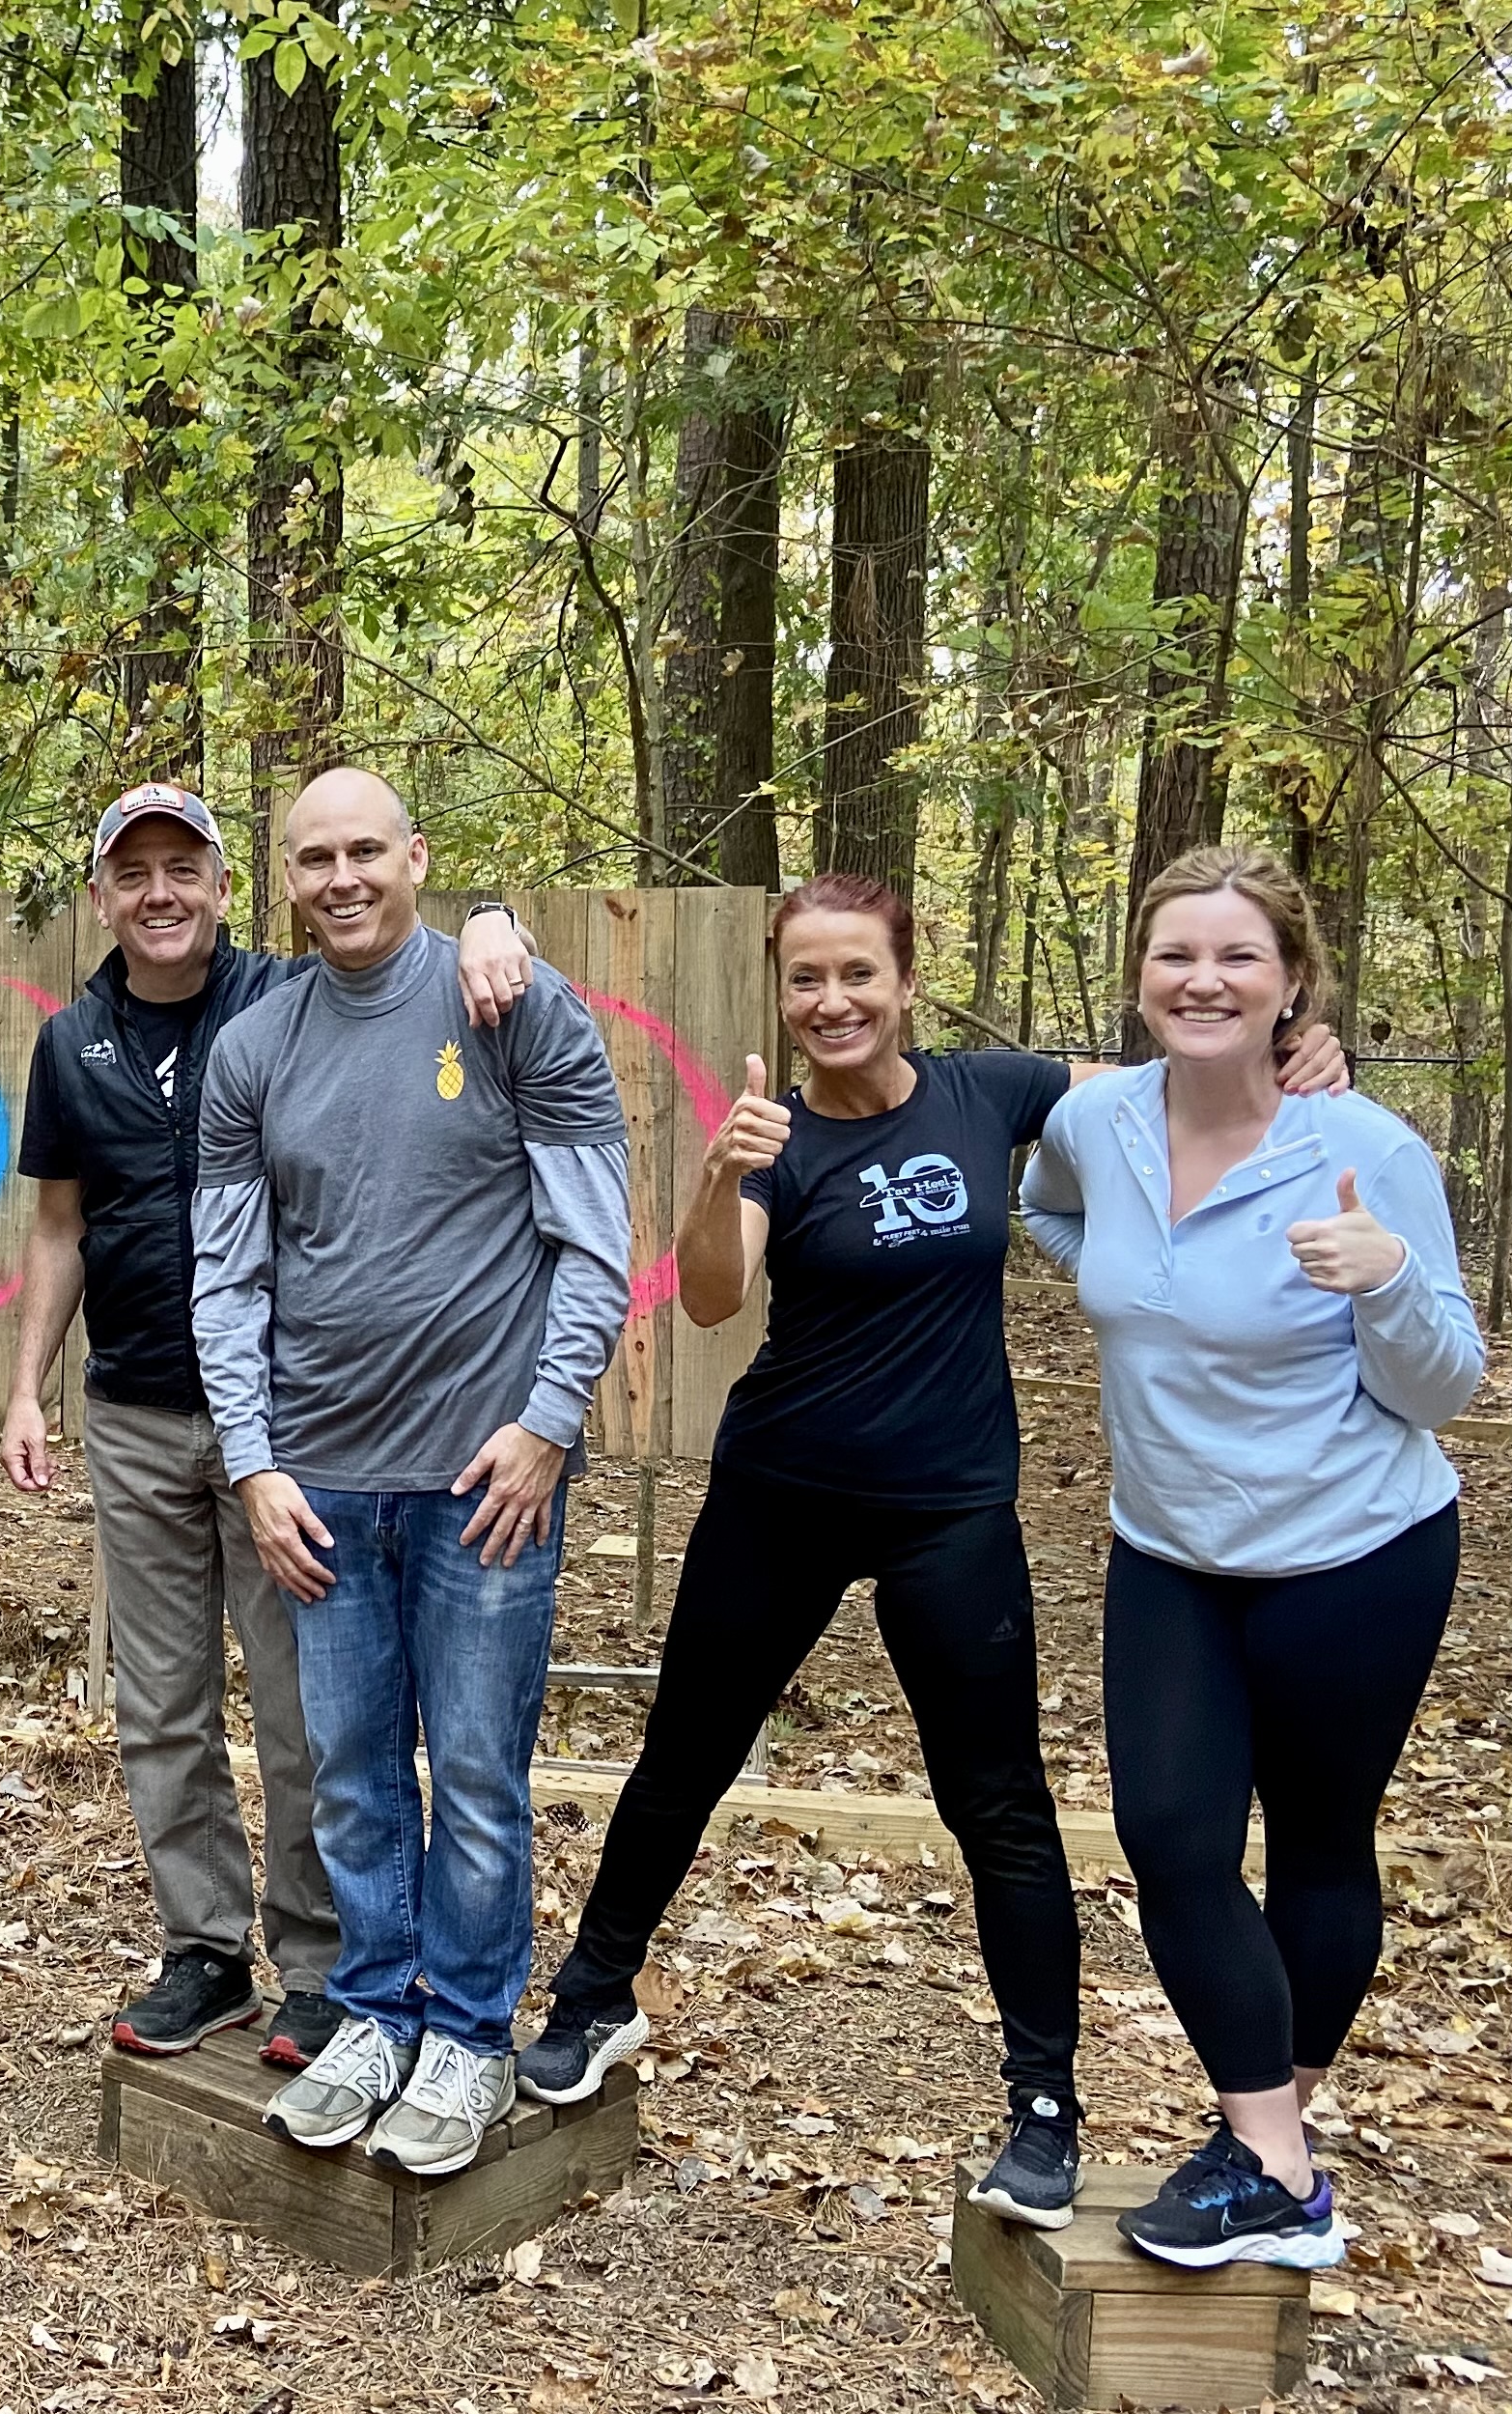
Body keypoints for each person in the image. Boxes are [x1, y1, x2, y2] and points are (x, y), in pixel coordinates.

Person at [519, 874, 1354, 2231]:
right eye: (805, 980)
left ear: (906, 982)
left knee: (1001, 1809)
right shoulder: (772, 1139)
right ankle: (591, 2001)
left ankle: (1041, 2108)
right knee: (680, 1757)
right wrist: (717, 1174)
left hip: (948, 1508)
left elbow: (1169, 1077)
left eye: (858, 975)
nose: (831, 1002)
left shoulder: (994, 1092)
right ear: (781, 998)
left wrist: (1285, 1045)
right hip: (777, 1494)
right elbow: (718, 1298)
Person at [3, 782, 532, 2068]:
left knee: (306, 1708)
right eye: (131, 875)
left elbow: (391, 951)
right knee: (161, 1701)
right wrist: (24, 1384)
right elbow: (59, 1224)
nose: (158, 893)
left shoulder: (281, 1004)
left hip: (287, 1428)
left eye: (182, 867)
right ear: (100, 898)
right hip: (131, 1411)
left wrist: (492, 916)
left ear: (225, 885)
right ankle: (204, 1947)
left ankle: (321, 1956)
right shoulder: (72, 1044)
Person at [1021, 843, 1482, 2270]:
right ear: (1139, 977)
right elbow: (1047, 1206)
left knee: (1321, 1849)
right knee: (1169, 1841)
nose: (1201, 979)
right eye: (1174, 955)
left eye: (1235, 956)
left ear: (1290, 983)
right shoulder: (1098, 1126)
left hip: (1354, 1555)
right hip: (1169, 1551)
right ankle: (1273, 2165)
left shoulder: (1364, 1152)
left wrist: (1388, 1281)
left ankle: (1267, 2146)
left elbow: (1445, 1380)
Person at [193, 766, 631, 2174]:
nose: (340, 878)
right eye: (312, 856)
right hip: (317, 1483)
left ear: (414, 856)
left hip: (481, 1482)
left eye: (365, 850)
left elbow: (591, 1237)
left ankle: (470, 2038)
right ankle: (375, 2011)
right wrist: (253, 1465)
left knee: (484, 1778)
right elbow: (225, 1281)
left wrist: (547, 1419)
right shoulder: (253, 1050)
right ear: (285, 873)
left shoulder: (512, 1007)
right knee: (351, 1778)